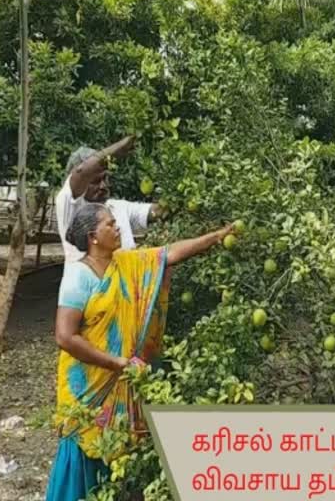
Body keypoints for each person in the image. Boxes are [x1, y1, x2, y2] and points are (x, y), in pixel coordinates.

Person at [45, 203, 233, 501]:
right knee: (84, 450)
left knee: (122, 456)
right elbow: (65, 337)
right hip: (88, 386)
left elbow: (169, 254)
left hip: (123, 379)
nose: (117, 227)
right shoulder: (77, 278)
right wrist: (116, 362)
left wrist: (216, 236)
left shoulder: (128, 263)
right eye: (110, 224)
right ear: (93, 236)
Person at [55, 138, 163, 271]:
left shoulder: (118, 207)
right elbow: (82, 172)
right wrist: (126, 142)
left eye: (105, 178)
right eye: (95, 181)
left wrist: (177, 198)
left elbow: (155, 212)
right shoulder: (70, 205)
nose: (103, 186)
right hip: (91, 290)